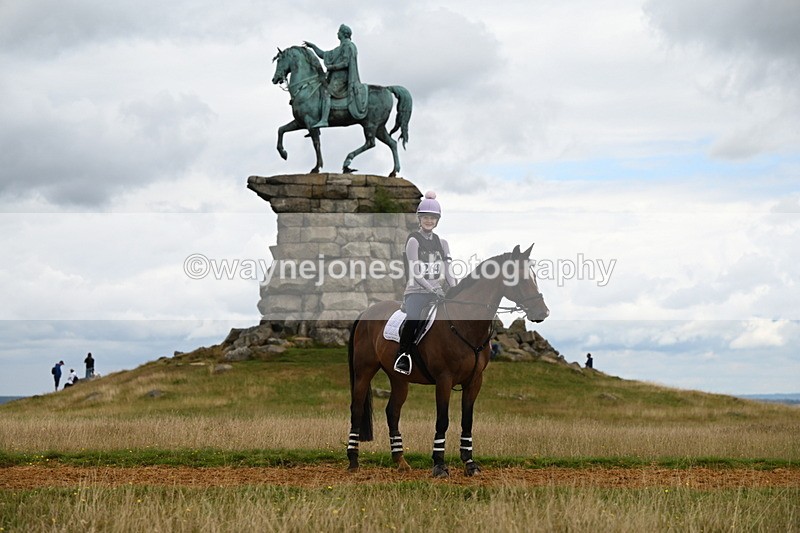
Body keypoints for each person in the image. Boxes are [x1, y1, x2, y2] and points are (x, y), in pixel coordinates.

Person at [394, 191, 456, 375]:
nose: (429, 221)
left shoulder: (442, 243)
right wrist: (431, 289)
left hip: (438, 291)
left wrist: (456, 288)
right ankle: (403, 355)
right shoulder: (413, 240)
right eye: (426, 217)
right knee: (413, 318)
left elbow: (448, 269)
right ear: (419, 218)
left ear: (437, 220)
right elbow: (415, 271)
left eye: (433, 218)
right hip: (416, 291)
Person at [303, 24, 367, 128]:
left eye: (339, 31)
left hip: (343, 78)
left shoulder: (348, 46)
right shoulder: (340, 48)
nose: (337, 33)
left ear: (343, 34)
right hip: (335, 77)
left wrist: (332, 67)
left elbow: (346, 63)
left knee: (326, 92)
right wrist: (313, 46)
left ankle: (324, 120)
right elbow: (323, 55)